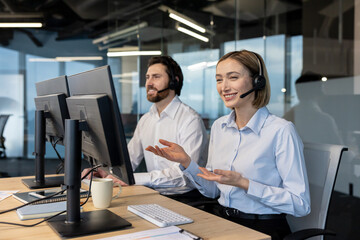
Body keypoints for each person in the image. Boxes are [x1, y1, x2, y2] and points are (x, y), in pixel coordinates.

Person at [146, 50, 311, 240]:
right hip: (222, 221)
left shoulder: (281, 131)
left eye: (233, 78)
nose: (224, 87)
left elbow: (301, 205)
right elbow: (212, 190)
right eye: (219, 79)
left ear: (257, 81)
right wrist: (187, 163)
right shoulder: (219, 127)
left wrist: (244, 184)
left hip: (262, 228)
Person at [82, 56, 209, 202]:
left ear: (174, 81)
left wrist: (133, 179)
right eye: (147, 77)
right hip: (152, 193)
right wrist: (104, 172)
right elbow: (129, 159)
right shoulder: (146, 119)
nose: (149, 83)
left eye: (156, 77)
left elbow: (185, 177)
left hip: (184, 198)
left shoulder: (190, 120)